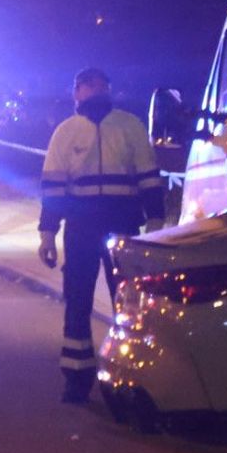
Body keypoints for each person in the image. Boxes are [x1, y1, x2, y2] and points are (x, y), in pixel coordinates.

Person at [36, 67, 164, 403]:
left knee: (128, 303)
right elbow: (53, 189)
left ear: (109, 89)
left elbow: (149, 176)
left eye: (101, 84)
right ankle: (76, 380)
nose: (95, 89)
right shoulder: (65, 133)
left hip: (123, 225)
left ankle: (128, 380)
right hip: (80, 229)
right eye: (88, 85)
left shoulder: (130, 126)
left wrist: (156, 220)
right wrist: (47, 233)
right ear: (76, 92)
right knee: (77, 302)